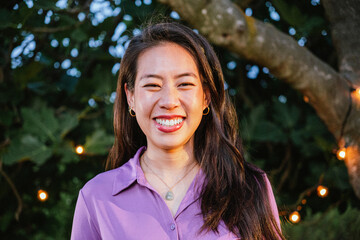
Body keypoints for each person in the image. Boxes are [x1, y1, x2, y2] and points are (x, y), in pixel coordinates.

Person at [71, 22, 284, 240]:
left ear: (206, 96)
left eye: (184, 84)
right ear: (130, 97)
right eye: (152, 85)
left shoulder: (249, 187)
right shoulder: (96, 196)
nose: (169, 101)